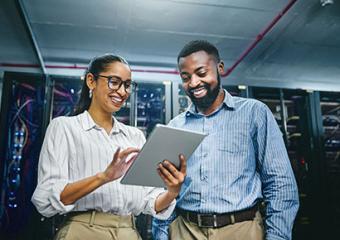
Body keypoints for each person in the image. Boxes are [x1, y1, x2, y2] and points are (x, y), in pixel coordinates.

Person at [152, 40, 299, 240]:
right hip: (185, 230)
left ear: (220, 68)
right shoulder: (175, 126)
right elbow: (164, 190)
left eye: (201, 73)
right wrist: (160, 236)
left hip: (241, 230)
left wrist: (277, 237)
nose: (194, 83)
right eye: (186, 77)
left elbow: (280, 184)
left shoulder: (254, 113)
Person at [31, 54, 187, 240]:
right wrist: (103, 177)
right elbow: (46, 199)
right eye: (114, 82)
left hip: (129, 232)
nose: (122, 92)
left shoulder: (135, 136)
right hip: (83, 231)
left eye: (127, 85)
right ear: (91, 81)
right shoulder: (65, 127)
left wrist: (172, 191)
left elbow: (150, 202)